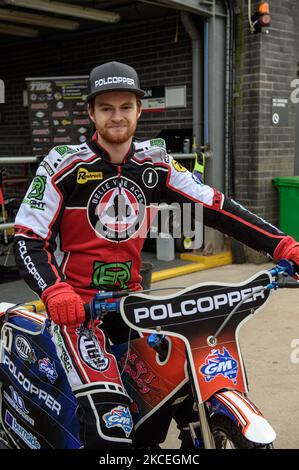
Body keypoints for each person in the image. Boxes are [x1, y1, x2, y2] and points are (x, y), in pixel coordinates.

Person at [13, 61, 299, 449]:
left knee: (182, 386)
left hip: (135, 305)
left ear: (139, 110)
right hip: (77, 313)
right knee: (109, 428)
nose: (117, 116)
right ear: (91, 113)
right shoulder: (63, 163)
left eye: (126, 107)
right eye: (107, 108)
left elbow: (216, 207)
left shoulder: (156, 162)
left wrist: (282, 244)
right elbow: (28, 237)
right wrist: (55, 291)